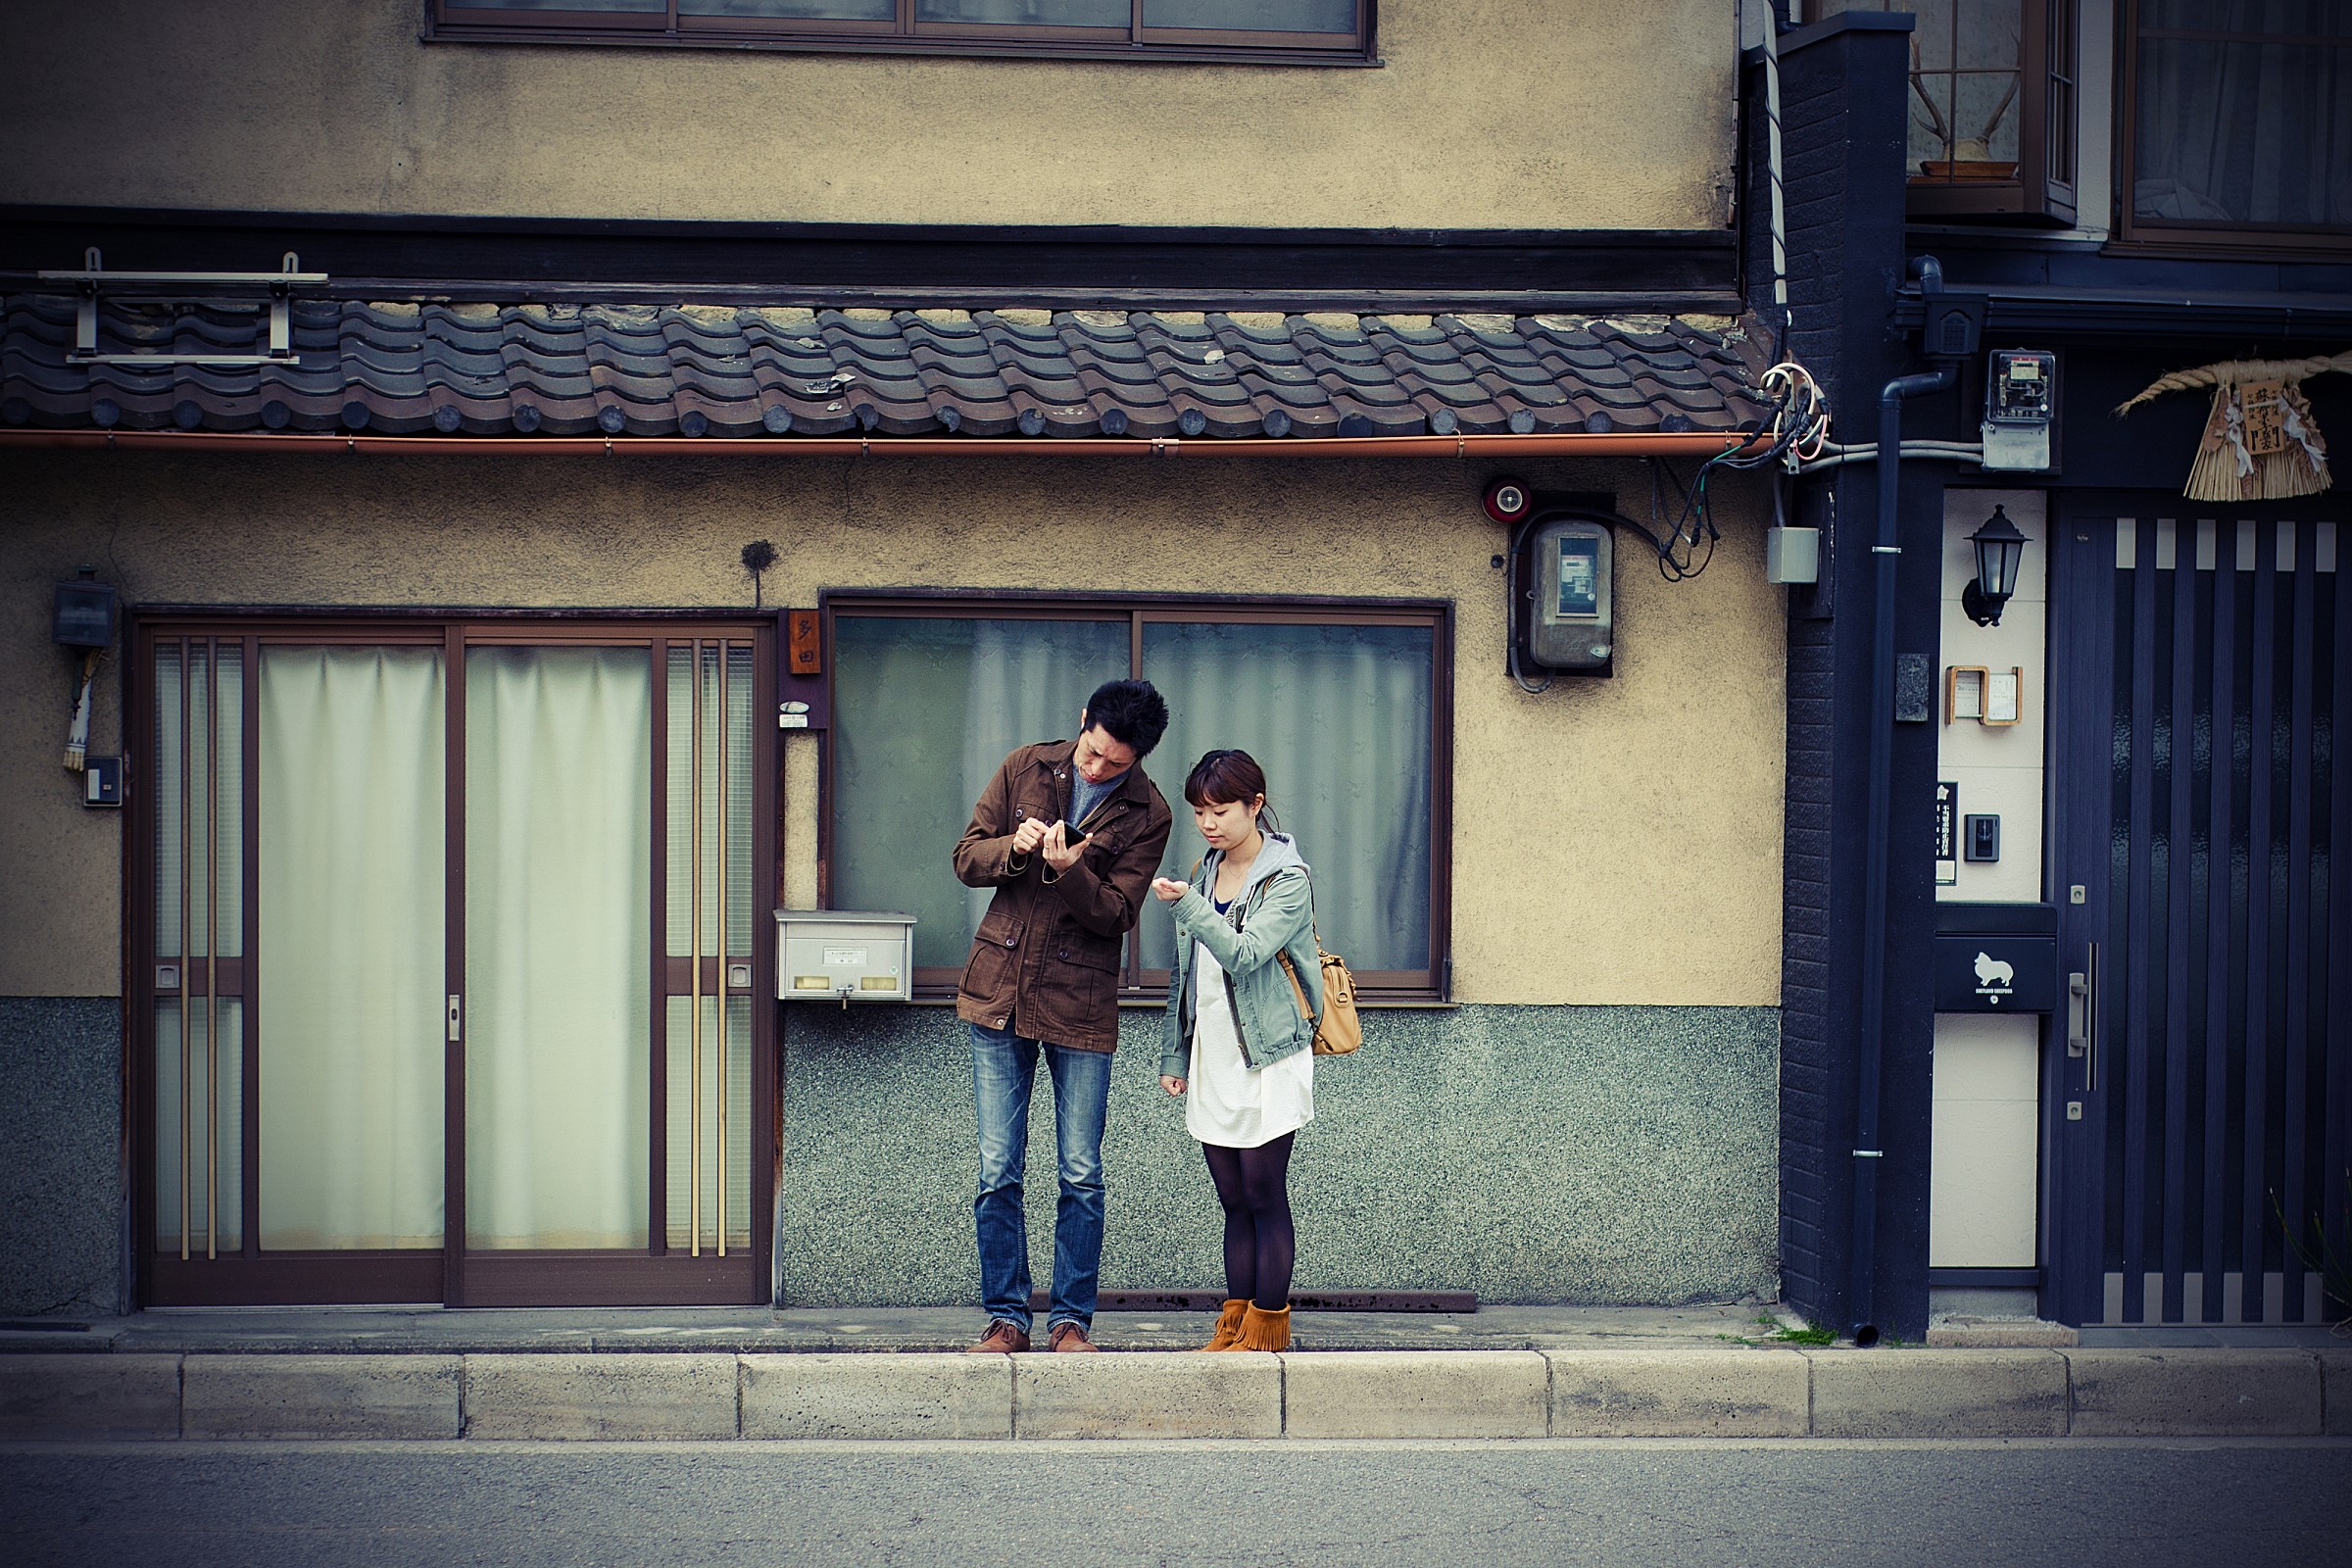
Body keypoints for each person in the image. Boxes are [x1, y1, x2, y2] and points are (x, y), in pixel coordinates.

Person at [952, 678, 1173, 1353]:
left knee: (1080, 1171)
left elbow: (1118, 914)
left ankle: (1071, 1322)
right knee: (998, 1168)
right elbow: (966, 859)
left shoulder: (1149, 812)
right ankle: (1006, 1320)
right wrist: (1013, 849)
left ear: (1138, 759)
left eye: (1115, 762)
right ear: (1083, 722)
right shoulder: (1025, 764)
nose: (1097, 767)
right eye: (1093, 750)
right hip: (1000, 991)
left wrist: (1071, 869)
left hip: (1080, 1001)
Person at [1151, 749, 1318, 1354]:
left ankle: (1269, 1325)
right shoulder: (1204, 871)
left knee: (1263, 1191)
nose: (1209, 823)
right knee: (1231, 1197)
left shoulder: (1287, 880)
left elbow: (1245, 955)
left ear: (1256, 804)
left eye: (1220, 810)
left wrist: (1190, 908)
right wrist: (1176, 1055)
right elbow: (1184, 973)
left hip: (1270, 1054)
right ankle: (1234, 1322)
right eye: (1199, 811)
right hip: (1214, 1054)